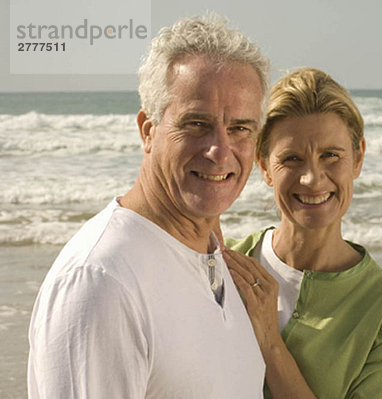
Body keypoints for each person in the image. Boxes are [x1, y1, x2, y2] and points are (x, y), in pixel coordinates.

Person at [27, 15, 270, 398]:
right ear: (148, 131)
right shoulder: (103, 280)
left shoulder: (207, 254)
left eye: (240, 128)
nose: (220, 151)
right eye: (196, 123)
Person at [224, 67, 382, 399]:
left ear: (357, 158)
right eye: (291, 159)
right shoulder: (222, 262)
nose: (312, 179)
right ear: (264, 166)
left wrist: (270, 342)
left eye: (331, 156)